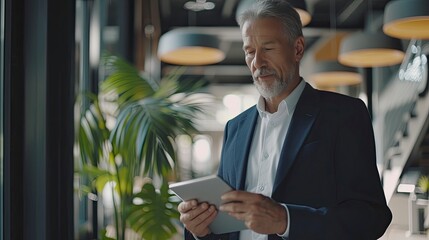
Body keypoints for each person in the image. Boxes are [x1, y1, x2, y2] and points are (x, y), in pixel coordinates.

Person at [177, 0, 392, 239]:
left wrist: (285, 220)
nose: (257, 62)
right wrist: (200, 229)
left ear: (298, 48)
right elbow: (228, 226)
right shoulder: (235, 128)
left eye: (268, 48)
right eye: (250, 51)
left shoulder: (344, 114)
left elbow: (371, 217)